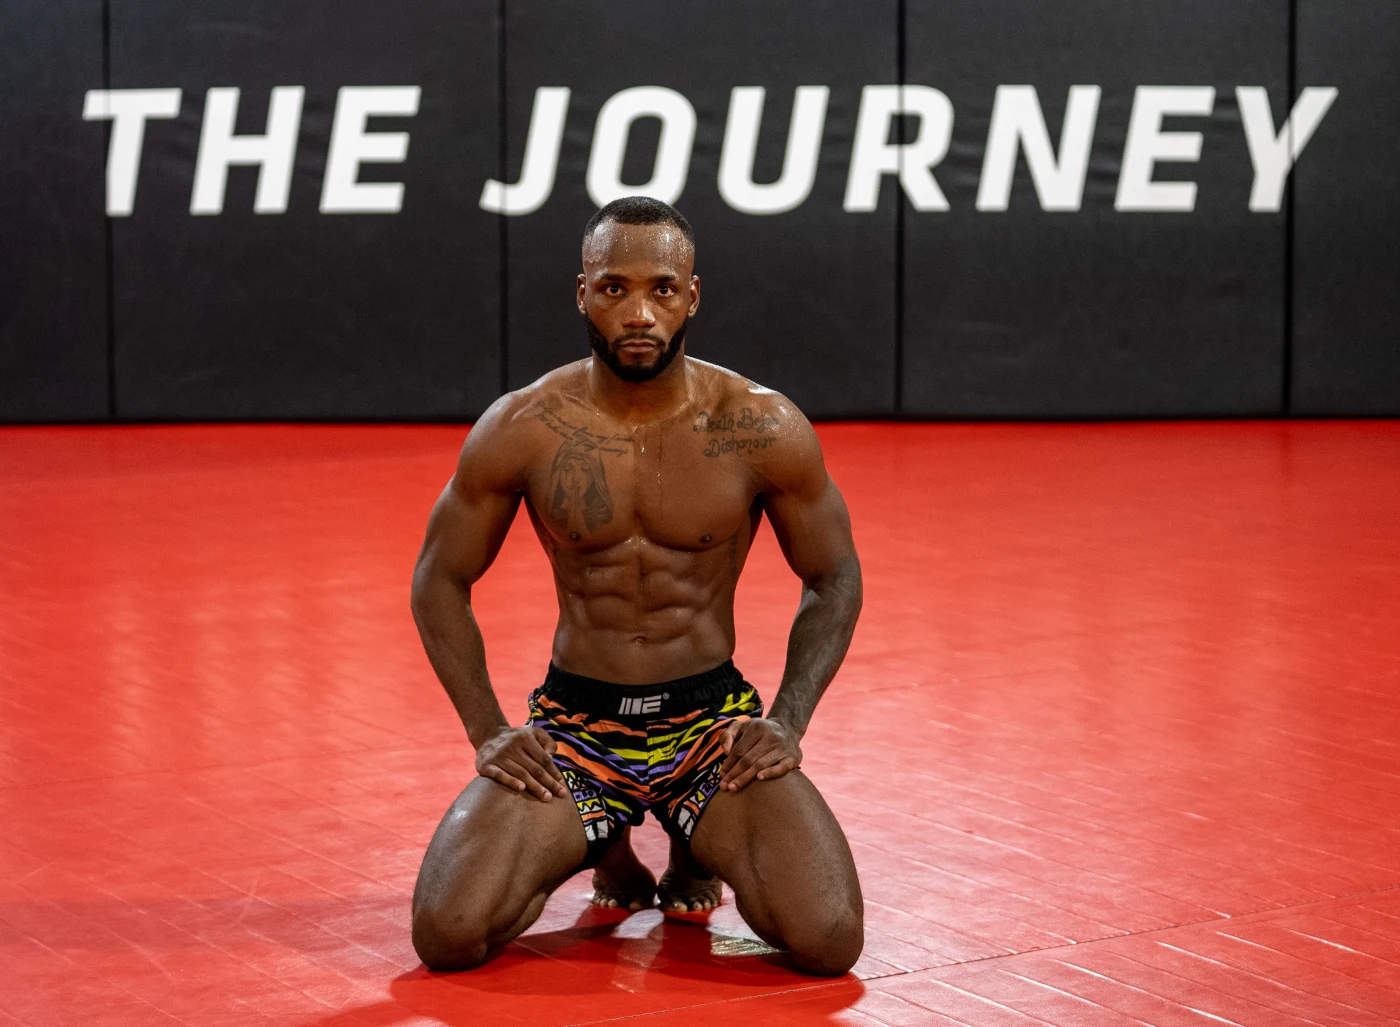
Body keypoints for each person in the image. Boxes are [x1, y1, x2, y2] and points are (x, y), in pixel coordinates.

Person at [408, 196, 864, 977]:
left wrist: (787, 719)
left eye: (661, 287)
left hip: (708, 728)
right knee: (447, 933)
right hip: (578, 731)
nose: (640, 311)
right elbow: (438, 580)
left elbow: (834, 574)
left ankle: (694, 838)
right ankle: (606, 841)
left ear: (692, 295)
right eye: (615, 287)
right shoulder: (525, 425)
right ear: (582, 292)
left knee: (828, 937)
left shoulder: (760, 426)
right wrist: (489, 732)